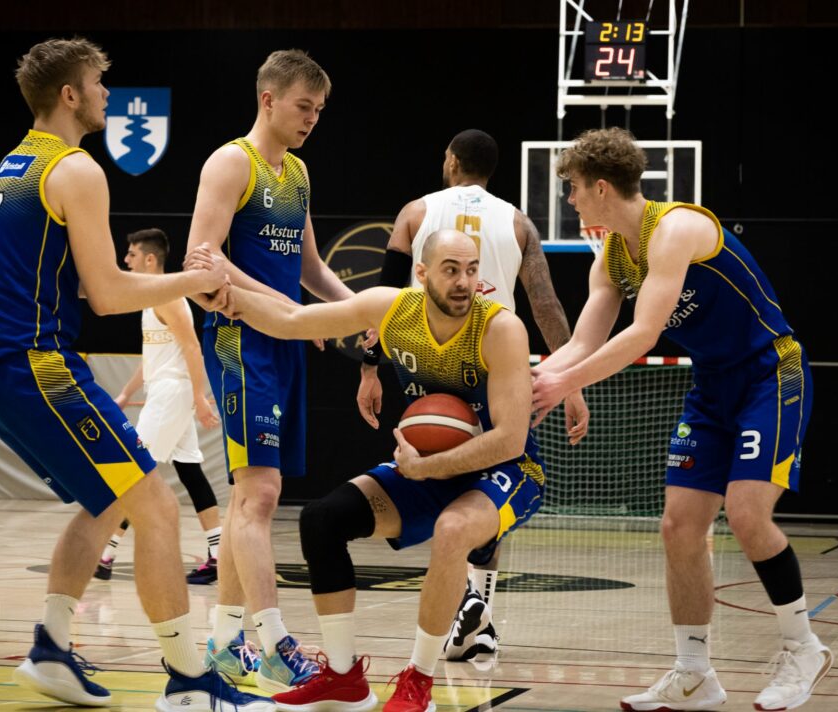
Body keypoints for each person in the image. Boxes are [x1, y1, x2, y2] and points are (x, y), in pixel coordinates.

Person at [0, 37, 272, 712]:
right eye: (99, 83)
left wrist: (180, 284)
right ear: (69, 94)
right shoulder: (76, 168)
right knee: (154, 506)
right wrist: (192, 280)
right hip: (34, 364)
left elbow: (79, 281)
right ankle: (190, 681)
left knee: (107, 502)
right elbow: (105, 294)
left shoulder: (14, 163)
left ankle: (52, 647)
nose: (107, 93)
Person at [531, 127, 833, 711]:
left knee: (746, 513)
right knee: (679, 526)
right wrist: (534, 381)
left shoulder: (677, 229)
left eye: (573, 188)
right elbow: (583, 342)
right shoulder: (611, 258)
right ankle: (694, 673)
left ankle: (804, 648)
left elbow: (644, 334)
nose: (569, 199)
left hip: (771, 373)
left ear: (600, 188)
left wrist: (566, 383)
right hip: (713, 387)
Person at [211, 228, 544, 712]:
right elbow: (293, 319)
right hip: (429, 466)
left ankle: (419, 680)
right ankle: (343, 676)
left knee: (453, 530)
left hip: (508, 469)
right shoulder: (391, 308)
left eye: (472, 271)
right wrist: (227, 294)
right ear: (422, 273)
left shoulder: (500, 328)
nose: (464, 282)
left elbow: (510, 439)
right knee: (322, 520)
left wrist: (427, 466)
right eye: (451, 270)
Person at [357, 128, 588, 662]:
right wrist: (571, 380)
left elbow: (383, 299)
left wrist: (370, 369)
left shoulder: (416, 212)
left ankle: (470, 615)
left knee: (454, 490)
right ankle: (477, 614)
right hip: (496, 367)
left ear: (452, 161)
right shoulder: (518, 222)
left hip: (429, 364)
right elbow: (546, 306)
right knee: (490, 491)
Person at [185, 48, 360, 693]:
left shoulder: (299, 172)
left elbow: (309, 267)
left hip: (284, 339)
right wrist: (288, 311)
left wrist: (357, 311)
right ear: (268, 99)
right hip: (240, 339)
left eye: (319, 110)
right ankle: (275, 642)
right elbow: (202, 256)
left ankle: (226, 642)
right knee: (259, 493)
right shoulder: (232, 162)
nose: (312, 118)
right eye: (303, 106)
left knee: (250, 498)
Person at [95, 228, 224, 586]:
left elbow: (193, 348)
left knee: (134, 470)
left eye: (132, 254)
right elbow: (153, 356)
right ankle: (218, 556)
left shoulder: (168, 297)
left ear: (150, 259)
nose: (126, 260)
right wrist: (125, 393)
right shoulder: (150, 297)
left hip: (173, 393)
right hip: (165, 392)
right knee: (190, 472)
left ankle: (105, 555)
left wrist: (199, 397)